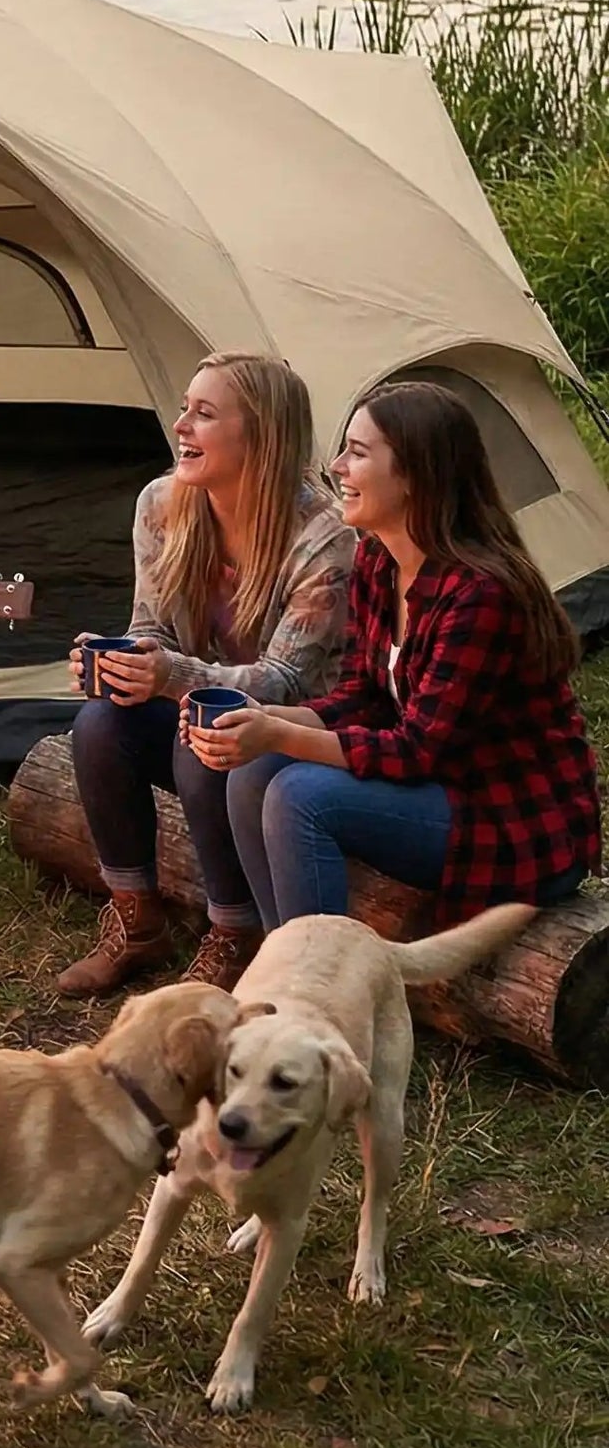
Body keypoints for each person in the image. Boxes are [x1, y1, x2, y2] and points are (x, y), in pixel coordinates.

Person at [192, 379, 599, 924]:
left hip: (510, 819)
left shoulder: (480, 595)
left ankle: (319, 995)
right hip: (437, 789)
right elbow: (363, 696)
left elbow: (415, 751)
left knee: (299, 795)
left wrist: (281, 734)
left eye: (357, 453)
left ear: (413, 475)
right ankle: (283, 964)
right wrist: (263, 717)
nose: (337, 467)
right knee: (254, 770)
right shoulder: (380, 564)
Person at [59, 352, 353, 996]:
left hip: (299, 735)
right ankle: (137, 919)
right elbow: (151, 626)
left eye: (205, 414)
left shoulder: (324, 535)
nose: (181, 426)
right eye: (184, 408)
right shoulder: (164, 503)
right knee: (101, 722)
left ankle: (234, 933)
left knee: (204, 736)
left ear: (261, 436)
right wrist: (126, 661)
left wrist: (170, 676)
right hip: (211, 710)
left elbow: (286, 681)